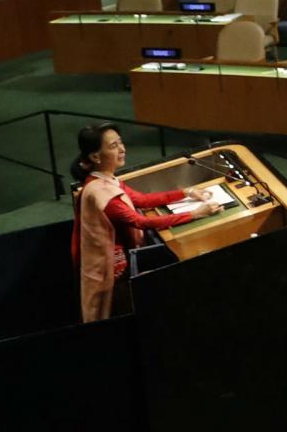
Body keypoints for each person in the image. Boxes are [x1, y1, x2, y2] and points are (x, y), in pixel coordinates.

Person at [74, 122, 220, 323]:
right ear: (95, 157)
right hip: (110, 272)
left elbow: (141, 200)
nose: (122, 149)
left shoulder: (107, 180)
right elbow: (140, 221)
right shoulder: (102, 193)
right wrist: (194, 214)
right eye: (113, 146)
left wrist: (186, 192)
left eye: (121, 143)